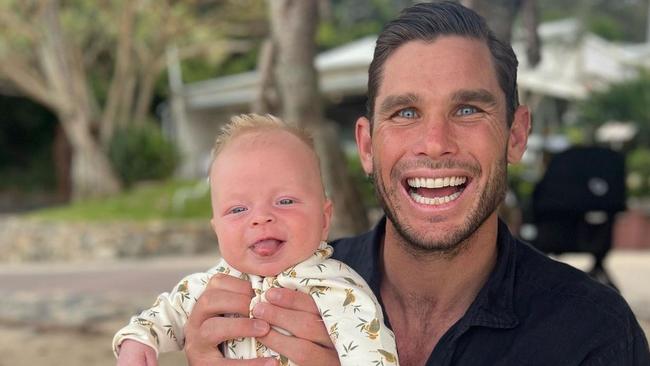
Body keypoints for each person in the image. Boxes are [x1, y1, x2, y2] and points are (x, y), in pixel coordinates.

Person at [183, 2, 650, 365]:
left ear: (516, 135)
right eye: (406, 113)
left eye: (468, 110)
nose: (434, 143)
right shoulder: (274, 289)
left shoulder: (593, 333)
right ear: (366, 146)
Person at [112, 114, 398, 365]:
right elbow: (165, 315)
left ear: (324, 219)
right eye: (238, 209)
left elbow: (370, 355)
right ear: (217, 230)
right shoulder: (212, 286)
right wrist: (137, 342)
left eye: (285, 201)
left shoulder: (338, 289)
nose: (260, 218)